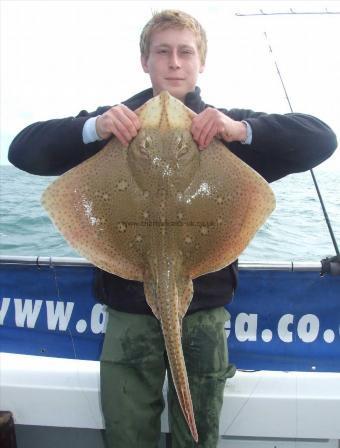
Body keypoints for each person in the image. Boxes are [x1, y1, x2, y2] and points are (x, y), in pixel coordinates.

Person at [8, 9, 337, 448]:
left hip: (202, 313)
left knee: (197, 436)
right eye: (163, 52)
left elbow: (321, 138)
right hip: (128, 309)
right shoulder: (115, 124)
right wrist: (94, 128)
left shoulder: (225, 128)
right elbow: (22, 150)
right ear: (145, 60)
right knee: (128, 434)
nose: (175, 62)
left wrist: (241, 130)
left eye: (186, 52)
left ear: (201, 62)